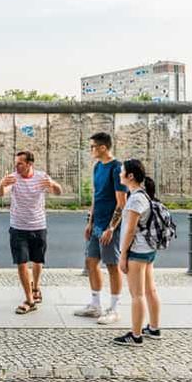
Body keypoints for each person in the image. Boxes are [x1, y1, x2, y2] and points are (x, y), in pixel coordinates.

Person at [0, 150, 63, 314]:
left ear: (29, 164)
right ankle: (29, 300)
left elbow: (59, 191)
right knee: (21, 263)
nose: (16, 165)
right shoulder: (13, 177)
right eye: (16, 162)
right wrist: (1, 184)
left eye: (20, 163)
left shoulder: (41, 177)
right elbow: (0, 194)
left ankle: (36, 287)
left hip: (39, 226)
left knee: (38, 261)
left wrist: (53, 185)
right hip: (18, 227)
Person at [74, 132, 127, 324]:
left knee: (112, 265)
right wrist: (90, 221)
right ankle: (95, 305)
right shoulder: (97, 167)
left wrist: (111, 228)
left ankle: (113, 309)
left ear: (103, 147)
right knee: (91, 261)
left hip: (110, 226)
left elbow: (121, 202)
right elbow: (97, 196)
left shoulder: (116, 168)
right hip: (97, 224)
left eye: (93, 147)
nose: (91, 150)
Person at [113, 159, 162, 347]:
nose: (119, 174)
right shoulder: (143, 195)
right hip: (148, 249)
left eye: (122, 171)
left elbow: (130, 230)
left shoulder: (135, 199)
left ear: (130, 176)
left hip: (137, 251)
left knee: (137, 295)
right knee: (150, 290)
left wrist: (123, 255)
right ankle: (154, 328)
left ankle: (135, 335)